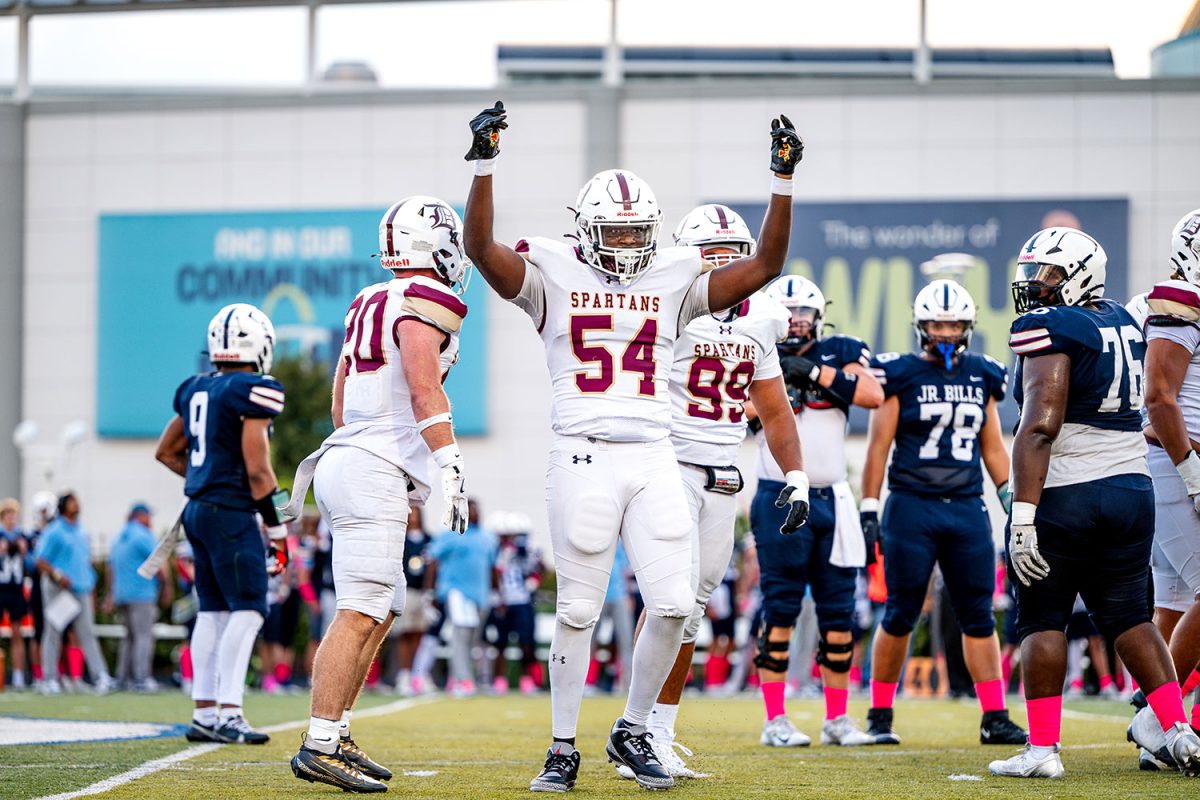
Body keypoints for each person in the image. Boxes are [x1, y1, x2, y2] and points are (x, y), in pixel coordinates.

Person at [463, 100, 803, 793]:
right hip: (583, 451)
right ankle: (562, 748)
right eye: (613, 232)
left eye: (635, 232)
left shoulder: (675, 275)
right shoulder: (552, 270)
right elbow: (481, 250)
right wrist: (484, 164)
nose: (625, 245)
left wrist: (782, 179)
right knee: (578, 610)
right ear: (585, 231)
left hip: (654, 455)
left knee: (676, 604)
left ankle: (633, 728)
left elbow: (765, 263)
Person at [989, 226, 1200, 779]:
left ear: (1079, 275)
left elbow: (1039, 427)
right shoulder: (1128, 322)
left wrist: (1025, 514)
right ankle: (1175, 730)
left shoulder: (1047, 325)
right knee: (1132, 616)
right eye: (1032, 272)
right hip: (1132, 490)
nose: (1035, 284)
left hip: (1067, 489)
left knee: (1042, 618)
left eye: (1048, 274)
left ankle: (1041, 750)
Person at [280, 195, 472, 793]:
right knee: (361, 607)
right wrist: (450, 462)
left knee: (383, 607)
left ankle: (335, 731)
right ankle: (318, 743)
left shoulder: (368, 299)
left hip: (350, 457)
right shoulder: (423, 301)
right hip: (369, 467)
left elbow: (340, 402)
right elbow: (422, 389)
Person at [613, 205, 809, 782]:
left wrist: (797, 477)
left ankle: (658, 735)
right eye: (711, 254)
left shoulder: (764, 318)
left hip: (722, 471)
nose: (722, 264)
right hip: (666, 464)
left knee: (692, 613)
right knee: (670, 602)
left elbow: (775, 410)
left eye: (732, 253)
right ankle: (635, 730)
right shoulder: (667, 308)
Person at [860, 278, 1025, 747]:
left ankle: (994, 715)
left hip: (967, 508)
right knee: (900, 610)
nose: (946, 332)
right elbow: (878, 448)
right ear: (920, 326)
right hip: (912, 506)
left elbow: (994, 448)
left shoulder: (982, 373)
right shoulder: (901, 373)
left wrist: (1015, 503)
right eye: (937, 323)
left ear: (968, 327)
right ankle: (879, 713)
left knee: (977, 612)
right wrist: (869, 506)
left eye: (954, 324)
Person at [730, 274, 880, 751]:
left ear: (819, 315)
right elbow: (735, 413)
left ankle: (837, 719)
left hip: (833, 497)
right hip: (779, 494)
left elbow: (872, 394)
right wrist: (776, 389)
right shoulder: (754, 350)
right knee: (781, 609)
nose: (796, 322)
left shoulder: (840, 349)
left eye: (805, 313)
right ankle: (775, 718)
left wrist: (812, 373)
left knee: (840, 615)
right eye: (789, 312)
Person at [154, 303, 286, 745]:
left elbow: (166, 451)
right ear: (261, 345)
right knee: (248, 610)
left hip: (197, 510)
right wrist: (280, 528)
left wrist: (205, 483)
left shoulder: (196, 387)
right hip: (229, 512)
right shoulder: (253, 388)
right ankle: (229, 713)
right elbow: (260, 470)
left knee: (212, 611)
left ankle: (205, 712)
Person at [1133, 208, 1200, 768]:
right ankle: (1161, 719)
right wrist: (1191, 469)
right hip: (1176, 465)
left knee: (1175, 603)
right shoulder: (1178, 300)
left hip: (1181, 459)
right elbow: (1159, 398)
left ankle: (1164, 720)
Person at [34, 493, 115, 694]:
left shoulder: (82, 531)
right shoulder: (54, 531)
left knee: (87, 633)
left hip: (81, 589)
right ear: (63, 506)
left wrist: (91, 588)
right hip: (59, 590)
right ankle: (49, 678)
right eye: (72, 501)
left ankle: (100, 675)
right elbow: (41, 560)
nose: (77, 504)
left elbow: (85, 563)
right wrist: (58, 575)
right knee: (53, 633)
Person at [427, 499, 498, 697]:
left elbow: (492, 568)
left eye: (477, 509)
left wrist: (497, 594)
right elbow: (433, 562)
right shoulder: (450, 535)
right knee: (461, 634)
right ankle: (464, 680)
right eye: (471, 510)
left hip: (481, 596)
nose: (475, 513)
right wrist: (430, 592)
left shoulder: (487, 538)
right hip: (456, 591)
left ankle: (459, 677)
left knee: (472, 640)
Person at [108, 502, 169, 691]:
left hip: (122, 594)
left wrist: (111, 593)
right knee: (144, 636)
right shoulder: (144, 536)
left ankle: (123, 678)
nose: (151, 520)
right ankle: (142, 678)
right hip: (142, 594)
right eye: (149, 516)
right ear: (141, 516)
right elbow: (159, 564)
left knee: (129, 638)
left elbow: (111, 567)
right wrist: (167, 587)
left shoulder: (119, 537)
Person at [488, 511, 544, 695]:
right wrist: (499, 598)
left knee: (526, 643)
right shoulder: (500, 550)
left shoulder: (530, 549)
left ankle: (527, 680)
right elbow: (495, 573)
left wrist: (534, 578)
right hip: (504, 602)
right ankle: (499, 680)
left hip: (522, 601)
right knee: (501, 644)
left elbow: (540, 569)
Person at [390, 506, 434, 696]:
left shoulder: (428, 539)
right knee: (404, 633)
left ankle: (418, 674)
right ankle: (404, 674)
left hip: (421, 592)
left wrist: (430, 591)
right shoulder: (401, 537)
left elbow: (432, 566)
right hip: (406, 590)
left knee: (419, 634)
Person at [0, 498, 29, 689]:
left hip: (16, 589)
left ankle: (18, 675)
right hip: (1, 587)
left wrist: (24, 551)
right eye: (8, 516)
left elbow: (31, 563)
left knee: (17, 632)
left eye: (14, 516)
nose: (11, 519)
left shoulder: (22, 537)